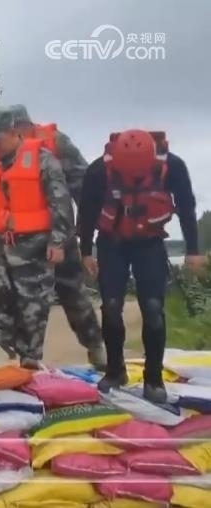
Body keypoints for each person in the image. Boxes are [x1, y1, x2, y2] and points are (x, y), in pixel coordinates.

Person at [78, 129, 205, 402]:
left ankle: (154, 379)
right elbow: (87, 211)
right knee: (111, 307)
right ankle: (115, 371)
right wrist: (86, 251)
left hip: (150, 243)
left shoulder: (172, 166)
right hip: (112, 242)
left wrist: (193, 250)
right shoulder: (99, 170)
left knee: (154, 309)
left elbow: (186, 206)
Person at [0, 105, 74, 369]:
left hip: (34, 241)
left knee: (32, 300)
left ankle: (31, 354)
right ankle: (1, 331)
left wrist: (58, 241)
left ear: (13, 132)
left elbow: (61, 203)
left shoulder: (43, 159)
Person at [8, 104, 106, 369]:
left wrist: (87, 231)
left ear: (26, 125)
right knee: (26, 298)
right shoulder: (2, 149)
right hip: (22, 238)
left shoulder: (56, 143)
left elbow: (84, 186)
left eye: (16, 128)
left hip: (58, 231)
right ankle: (29, 359)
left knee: (73, 292)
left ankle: (96, 345)